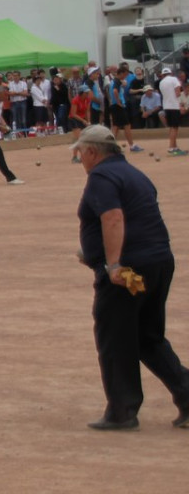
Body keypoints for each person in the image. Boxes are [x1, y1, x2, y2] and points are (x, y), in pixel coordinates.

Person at [73, 125, 189, 430]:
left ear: (93, 152)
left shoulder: (100, 176)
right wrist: (94, 253)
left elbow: (113, 217)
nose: (80, 158)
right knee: (147, 338)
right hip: (158, 261)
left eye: (80, 152)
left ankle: (122, 410)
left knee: (114, 339)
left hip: (129, 268)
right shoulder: (134, 173)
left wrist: (112, 265)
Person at [157, 68, 186, 155]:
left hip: (166, 106)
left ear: (163, 74)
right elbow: (177, 93)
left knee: (172, 127)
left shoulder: (161, 82)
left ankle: (175, 147)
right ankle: (171, 148)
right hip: (174, 106)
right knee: (174, 128)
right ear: (171, 73)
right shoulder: (174, 79)